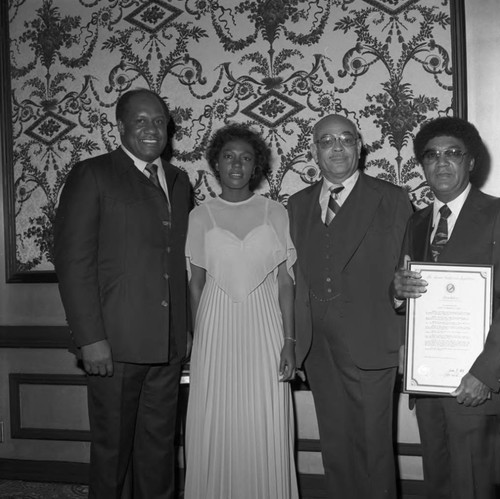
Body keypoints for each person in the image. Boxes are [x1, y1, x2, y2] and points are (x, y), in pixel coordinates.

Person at [54, 88, 192, 499]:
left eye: (159, 122)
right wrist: (89, 338)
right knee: (112, 454)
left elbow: (178, 263)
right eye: (141, 121)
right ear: (119, 126)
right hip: (112, 343)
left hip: (167, 344)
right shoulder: (92, 174)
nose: (152, 129)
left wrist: (184, 330)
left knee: (158, 450)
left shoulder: (180, 181)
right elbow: (73, 263)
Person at [287, 114, 413, 498]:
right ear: (314, 151)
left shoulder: (391, 198)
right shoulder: (297, 204)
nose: (337, 147)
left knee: (374, 449)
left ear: (360, 148)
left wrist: (406, 331)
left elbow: (405, 274)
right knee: (335, 448)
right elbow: (293, 279)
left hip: (372, 341)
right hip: (319, 349)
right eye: (327, 141)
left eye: (346, 139)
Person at [184, 123, 299, 499]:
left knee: (262, 417)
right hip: (215, 327)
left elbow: (286, 282)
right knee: (217, 419)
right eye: (229, 157)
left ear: (257, 166)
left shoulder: (275, 212)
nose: (237, 164)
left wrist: (288, 341)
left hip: (265, 325)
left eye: (246, 158)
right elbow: (195, 284)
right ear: (216, 163)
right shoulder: (200, 215)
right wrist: (198, 341)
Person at [393, 116, 500, 499]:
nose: (442, 162)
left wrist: (486, 373)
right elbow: (409, 298)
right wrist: (397, 291)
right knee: (437, 483)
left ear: (471, 161)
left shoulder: (497, 215)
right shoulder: (418, 222)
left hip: (476, 385)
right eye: (432, 155)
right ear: (422, 164)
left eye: (453, 153)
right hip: (429, 383)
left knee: (471, 486)